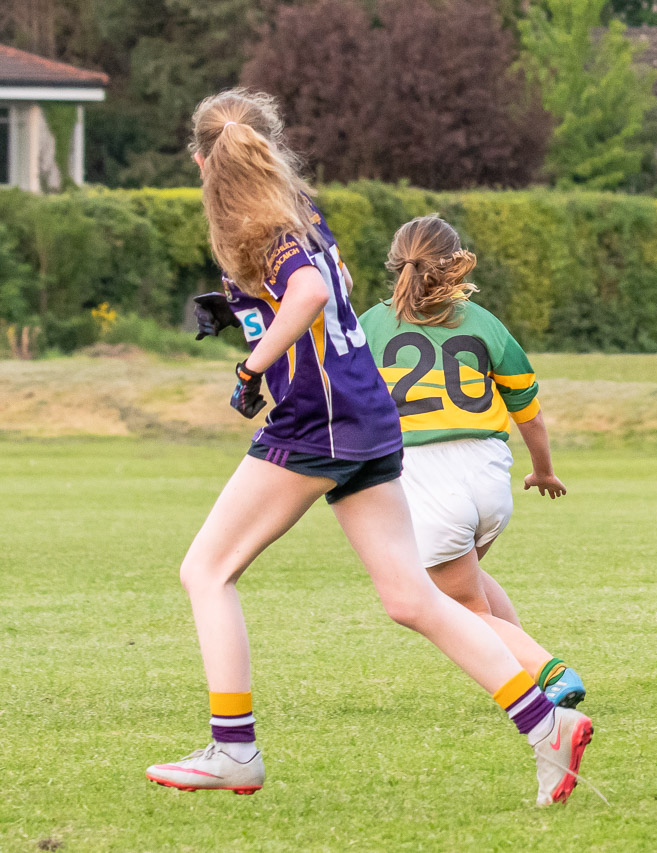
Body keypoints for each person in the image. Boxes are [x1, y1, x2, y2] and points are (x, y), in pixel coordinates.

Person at [144, 90, 592, 806]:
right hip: (368, 414)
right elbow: (339, 280)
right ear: (269, 147)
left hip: (315, 421)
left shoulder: (254, 225)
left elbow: (313, 292)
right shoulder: (299, 211)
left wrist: (254, 365)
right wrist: (244, 309)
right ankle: (547, 725)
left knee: (206, 570)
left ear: (203, 161)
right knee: (410, 597)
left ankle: (234, 748)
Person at [357, 214, 585, 708]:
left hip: (426, 477)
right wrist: (543, 470)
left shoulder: (369, 327)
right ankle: (526, 668)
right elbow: (531, 415)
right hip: (488, 472)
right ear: (454, 263)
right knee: (468, 585)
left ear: (396, 264)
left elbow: (347, 401)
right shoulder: (484, 323)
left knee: (455, 606)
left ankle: (548, 672)